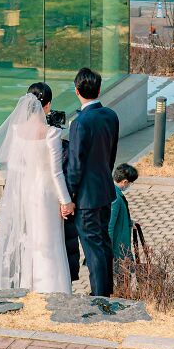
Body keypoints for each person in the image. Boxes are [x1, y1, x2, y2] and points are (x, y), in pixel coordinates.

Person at [0, 84, 72, 293]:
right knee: (48, 242)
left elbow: (14, 164)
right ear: (47, 105)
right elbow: (56, 172)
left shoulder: (17, 130)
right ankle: (50, 289)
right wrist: (66, 200)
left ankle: (28, 286)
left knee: (30, 239)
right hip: (46, 192)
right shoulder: (51, 133)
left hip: (25, 190)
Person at [65, 67, 120, 298]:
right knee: (104, 243)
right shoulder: (111, 115)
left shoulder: (80, 123)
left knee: (93, 248)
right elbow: (111, 154)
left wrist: (69, 196)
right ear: (99, 90)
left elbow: (75, 165)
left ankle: (99, 297)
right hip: (105, 191)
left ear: (77, 91)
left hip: (86, 197)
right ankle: (106, 290)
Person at [109, 163, 139, 268]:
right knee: (122, 276)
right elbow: (110, 225)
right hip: (118, 246)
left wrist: (130, 222)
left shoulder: (111, 190)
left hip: (118, 243)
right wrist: (109, 250)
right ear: (125, 182)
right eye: (130, 183)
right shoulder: (116, 198)